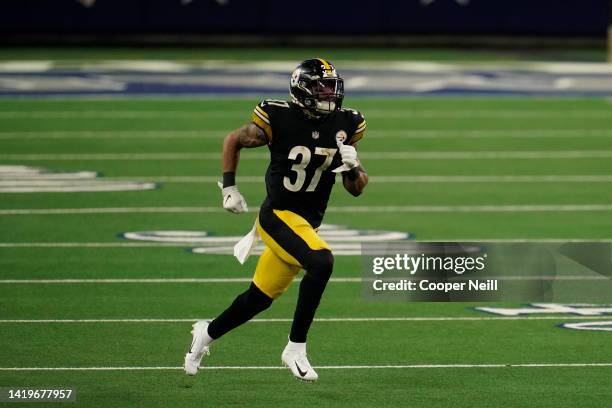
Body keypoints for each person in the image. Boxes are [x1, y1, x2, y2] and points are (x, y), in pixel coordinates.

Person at [184, 58, 368, 381]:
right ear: (302, 90)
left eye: (330, 86)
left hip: (305, 224)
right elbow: (233, 140)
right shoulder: (278, 117)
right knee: (322, 262)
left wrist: (352, 166)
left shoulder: (345, 124)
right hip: (277, 216)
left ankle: (205, 334)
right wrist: (229, 187)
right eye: (319, 87)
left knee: (257, 299)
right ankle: (295, 348)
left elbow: (357, 189)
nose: (328, 93)